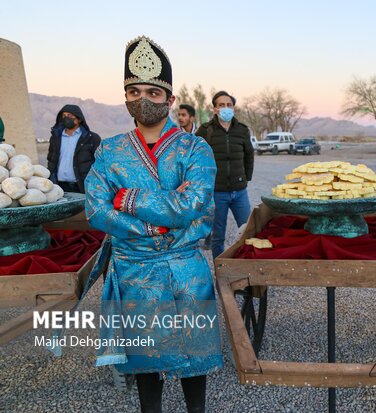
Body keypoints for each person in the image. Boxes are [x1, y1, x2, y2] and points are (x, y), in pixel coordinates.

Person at [84, 36, 222, 413]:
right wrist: (152, 225)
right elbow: (96, 209)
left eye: (152, 92)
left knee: (195, 360)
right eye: (133, 90)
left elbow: (190, 205)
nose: (142, 99)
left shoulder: (195, 149)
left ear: (170, 99)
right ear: (125, 95)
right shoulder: (109, 150)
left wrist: (127, 199)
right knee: (146, 361)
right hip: (133, 270)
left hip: (185, 268)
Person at [196, 91, 254, 258]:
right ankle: (220, 272)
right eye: (221, 105)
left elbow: (249, 155)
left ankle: (246, 271)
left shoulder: (242, 130)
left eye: (229, 105)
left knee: (247, 231)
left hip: (240, 192)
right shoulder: (206, 130)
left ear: (233, 108)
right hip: (217, 192)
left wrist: (246, 178)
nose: (226, 108)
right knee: (217, 236)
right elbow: (194, 155)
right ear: (215, 109)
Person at [47, 104, 101, 193]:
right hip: (59, 187)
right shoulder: (55, 137)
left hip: (82, 186)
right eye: (63, 116)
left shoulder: (91, 138)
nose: (66, 118)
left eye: (69, 115)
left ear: (79, 119)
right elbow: (50, 160)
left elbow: (99, 163)